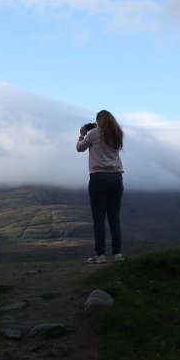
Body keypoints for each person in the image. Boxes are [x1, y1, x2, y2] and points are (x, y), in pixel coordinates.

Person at [76, 109, 124, 263]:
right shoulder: (117, 134)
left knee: (99, 217)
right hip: (116, 177)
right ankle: (117, 253)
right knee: (114, 217)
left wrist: (82, 134)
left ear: (99, 121)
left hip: (98, 177)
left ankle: (100, 255)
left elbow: (79, 148)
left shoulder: (94, 133)